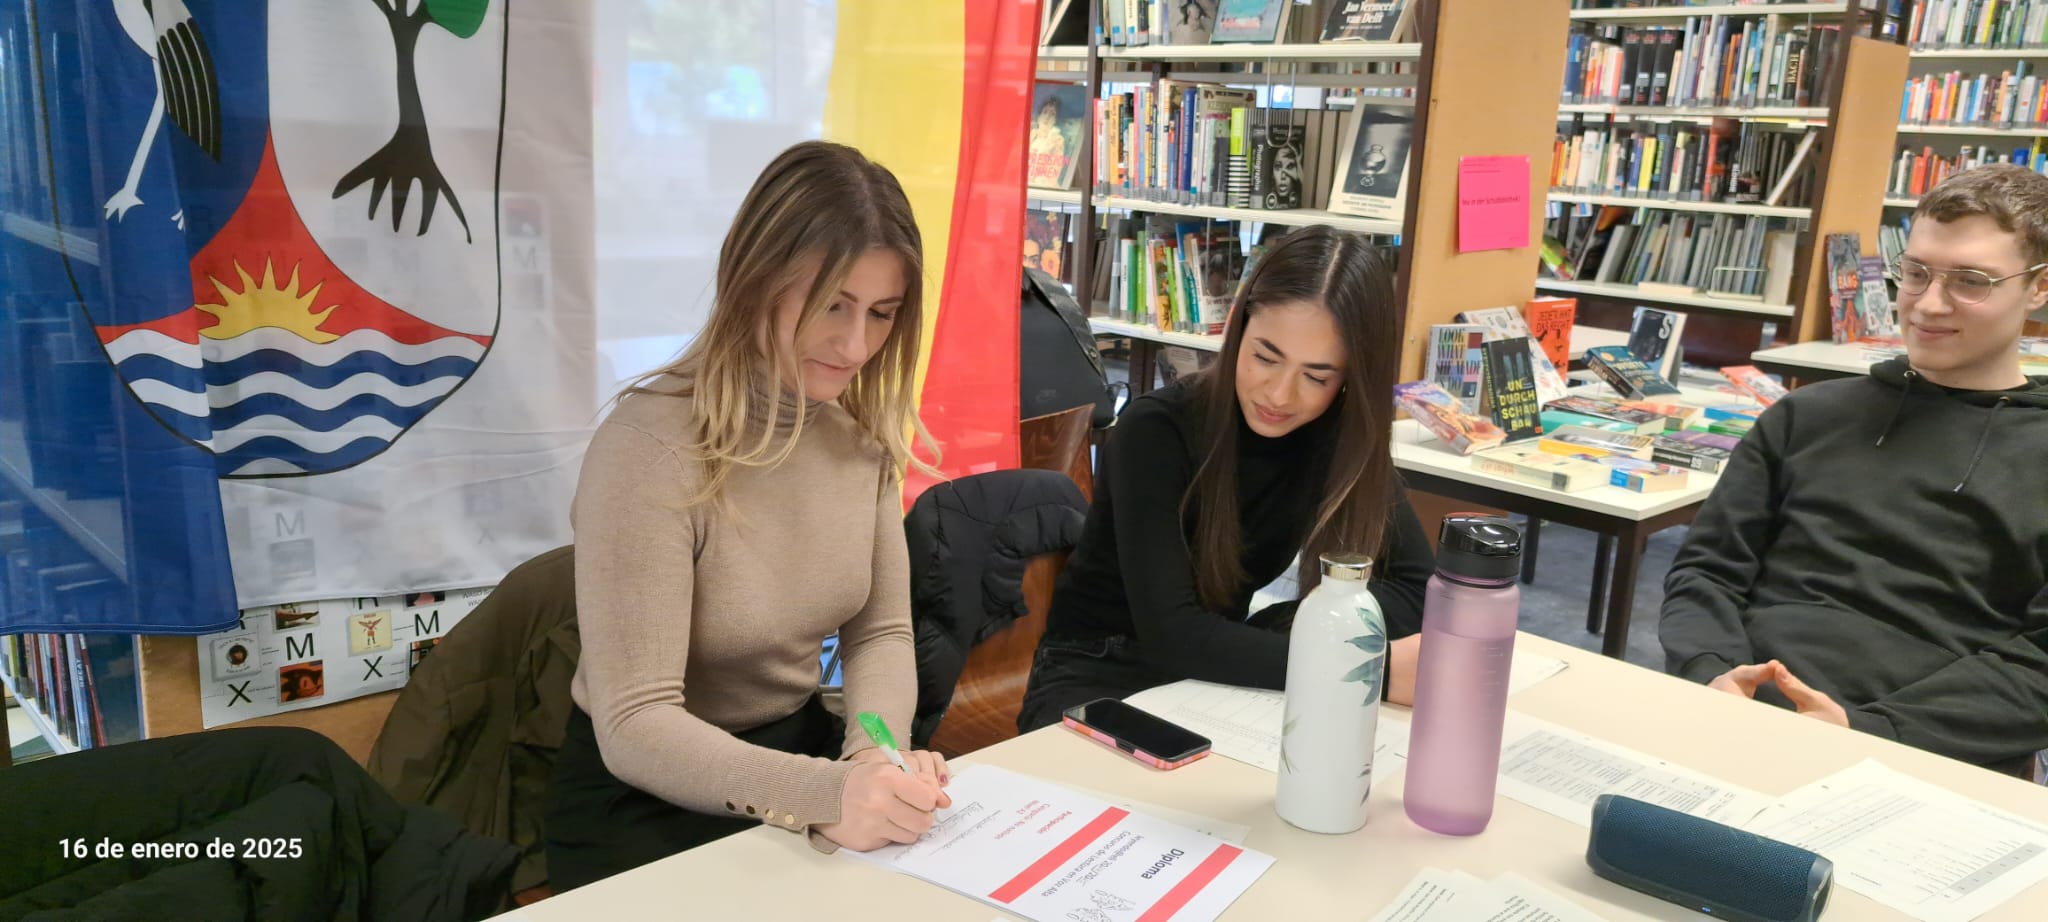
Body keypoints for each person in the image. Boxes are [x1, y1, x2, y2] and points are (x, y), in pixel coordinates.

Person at [547, 141, 952, 890]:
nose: (855, 345)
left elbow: (881, 633)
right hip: (644, 797)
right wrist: (830, 793)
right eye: (831, 305)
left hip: (796, 757)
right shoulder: (648, 447)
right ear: (755, 279)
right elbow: (635, 724)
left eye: (881, 314)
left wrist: (875, 753)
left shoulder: (858, 440)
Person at [1659, 164, 2048, 776]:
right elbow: (1708, 570)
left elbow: (2040, 666)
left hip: (1926, 757)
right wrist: (1709, 671)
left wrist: (1866, 732)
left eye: (1971, 281)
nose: (1929, 304)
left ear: (2039, 288)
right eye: (1915, 273)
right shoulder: (1806, 416)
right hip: (1737, 717)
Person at [1016, 226, 1436, 733]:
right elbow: (1174, 633)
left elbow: (1419, 589)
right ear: (1238, 329)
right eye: (1265, 357)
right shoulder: (1156, 431)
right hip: (1097, 669)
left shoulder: (1337, 440)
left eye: (1317, 376)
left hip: (1218, 673)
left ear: (1351, 377)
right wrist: (1360, 667)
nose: (1279, 395)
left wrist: (1301, 626)